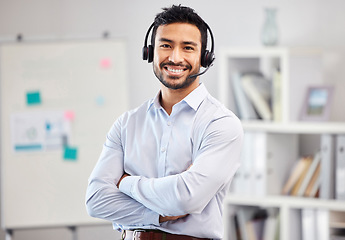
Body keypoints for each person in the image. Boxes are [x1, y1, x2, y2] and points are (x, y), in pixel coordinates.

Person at [86, 5, 243, 240]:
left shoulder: (220, 124)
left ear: (204, 57)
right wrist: (159, 213)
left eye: (187, 48)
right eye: (166, 45)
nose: (175, 57)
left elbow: (184, 198)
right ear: (150, 52)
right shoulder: (127, 123)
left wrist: (126, 183)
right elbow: (96, 200)